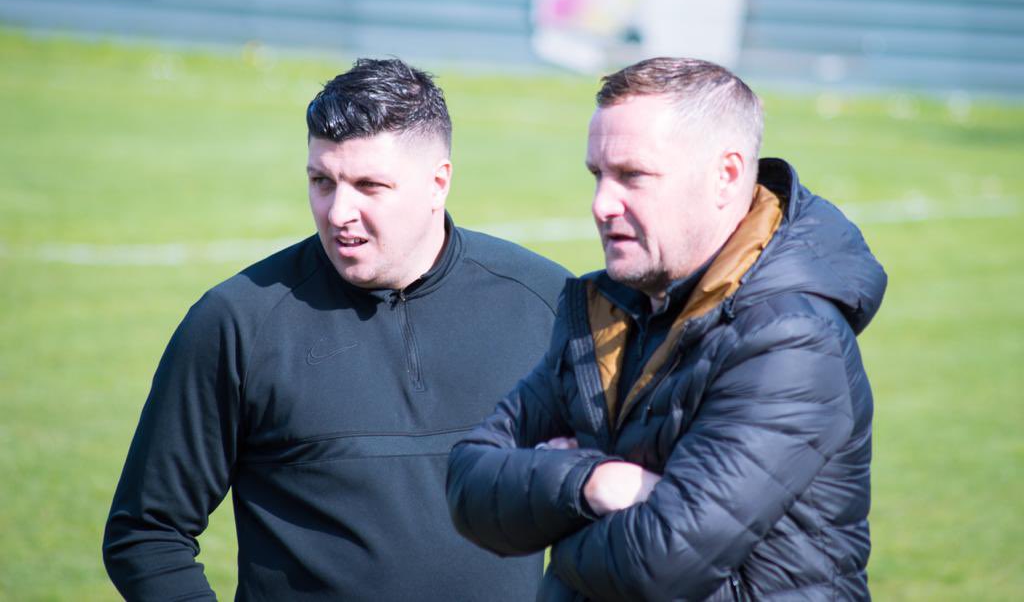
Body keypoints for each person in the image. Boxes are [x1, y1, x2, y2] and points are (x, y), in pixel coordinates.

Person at [103, 58, 570, 600]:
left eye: (369, 185)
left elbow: (614, 501)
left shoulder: (548, 303)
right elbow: (148, 532)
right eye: (322, 181)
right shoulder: (236, 322)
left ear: (438, 182)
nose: (338, 212)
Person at [447, 57, 887, 601]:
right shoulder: (606, 312)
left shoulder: (790, 339)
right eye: (597, 175)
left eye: (633, 175)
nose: (602, 204)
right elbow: (468, 482)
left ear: (726, 176)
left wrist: (550, 511)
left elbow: (660, 563)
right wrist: (594, 483)